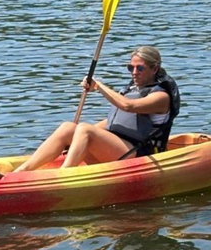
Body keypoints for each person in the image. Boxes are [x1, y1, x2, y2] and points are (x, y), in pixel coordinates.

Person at [13, 46, 180, 172]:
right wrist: (75, 136)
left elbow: (128, 106)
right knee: (69, 128)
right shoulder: (133, 90)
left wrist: (98, 86)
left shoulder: (161, 97)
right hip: (119, 148)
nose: (134, 72)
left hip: (141, 155)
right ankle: (21, 172)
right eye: (131, 68)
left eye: (140, 68)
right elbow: (115, 122)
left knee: (85, 130)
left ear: (155, 68)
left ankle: (64, 175)